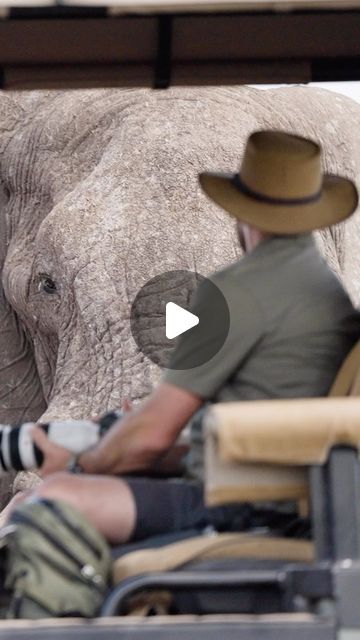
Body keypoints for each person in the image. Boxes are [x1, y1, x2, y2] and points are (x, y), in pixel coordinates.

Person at [6, 130, 360, 545]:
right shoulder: (326, 290)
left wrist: (80, 462)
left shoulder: (236, 292)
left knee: (44, 502)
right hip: (297, 495)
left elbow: (151, 436)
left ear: (241, 212)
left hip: (237, 504)